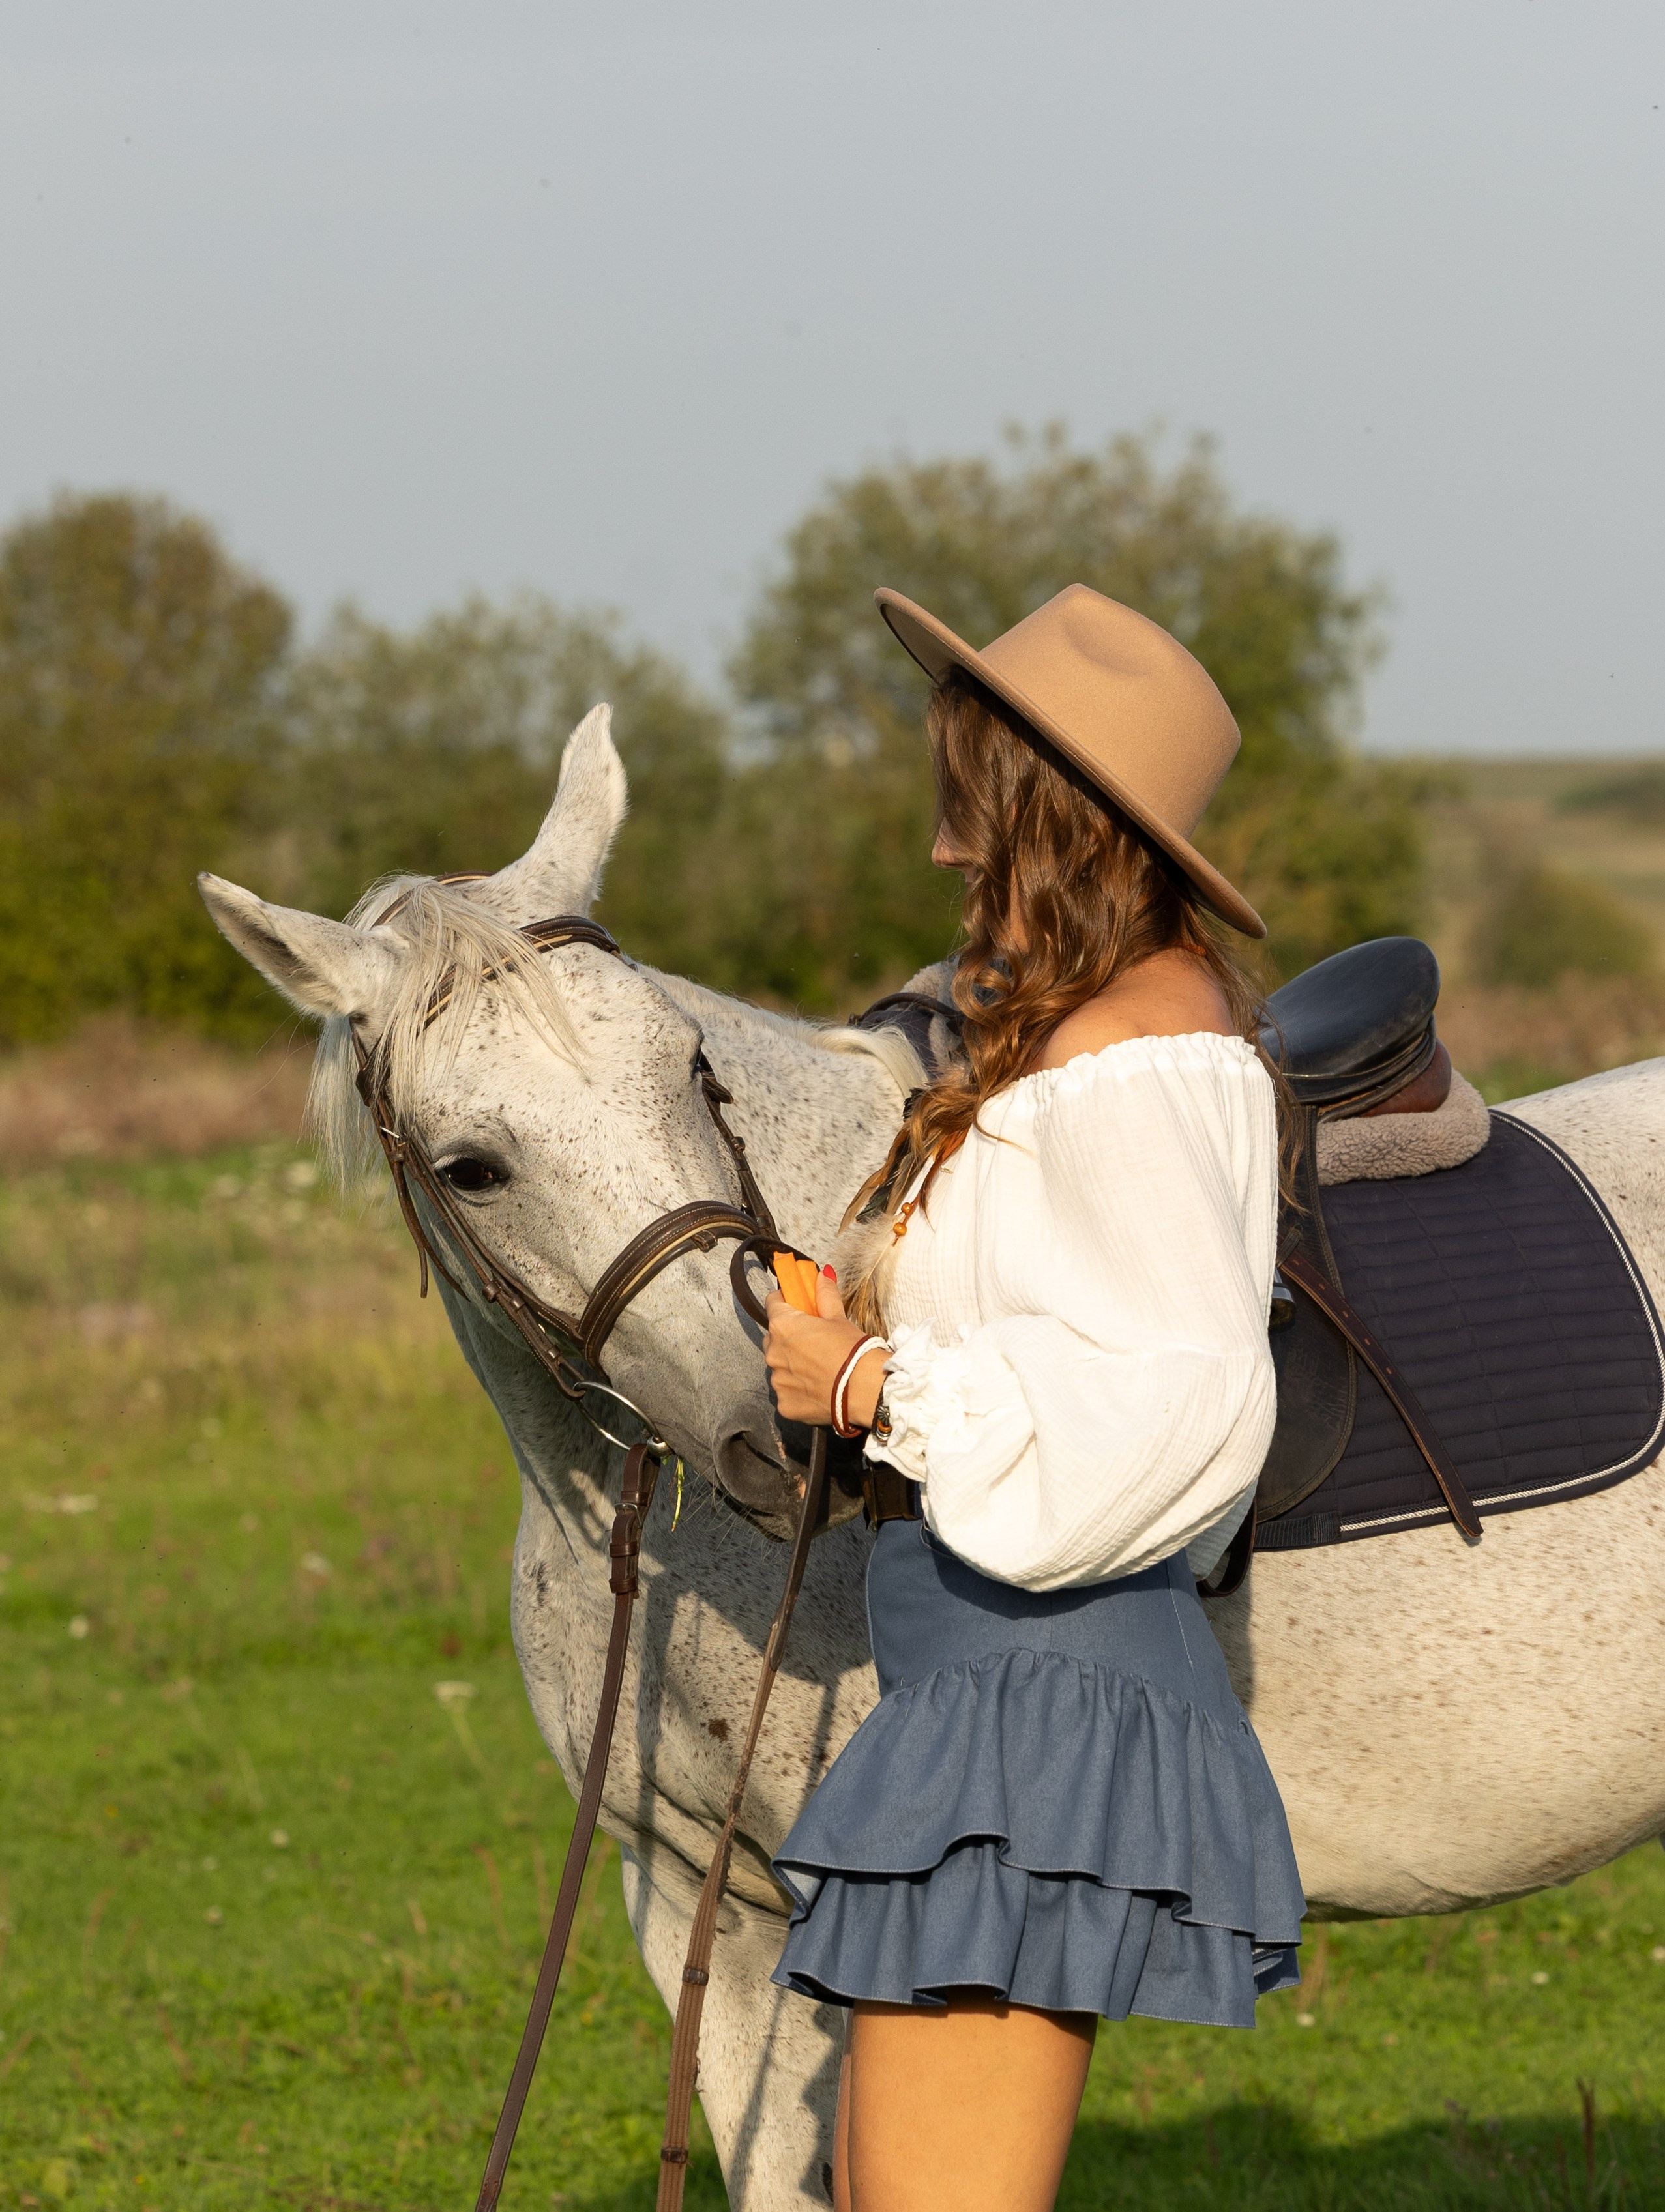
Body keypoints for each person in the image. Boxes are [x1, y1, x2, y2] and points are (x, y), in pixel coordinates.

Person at [761, 583, 1305, 2212]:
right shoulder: (1070, 1033)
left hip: (1036, 1698)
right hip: (978, 1679)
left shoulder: (1139, 1053)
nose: (943, 845)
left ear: (1042, 809)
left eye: (967, 793)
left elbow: (1188, 1389)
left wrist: (868, 1382)